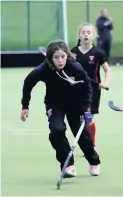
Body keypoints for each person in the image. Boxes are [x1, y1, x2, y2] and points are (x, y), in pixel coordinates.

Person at [20, 40, 101, 177]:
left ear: (67, 55)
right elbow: (28, 83)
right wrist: (25, 106)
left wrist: (87, 108)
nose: (60, 60)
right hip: (55, 104)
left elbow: (87, 87)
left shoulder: (75, 67)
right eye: (56, 57)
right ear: (50, 58)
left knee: (81, 135)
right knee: (56, 131)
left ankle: (94, 161)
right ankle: (68, 165)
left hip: (76, 104)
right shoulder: (43, 69)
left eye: (62, 56)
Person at [71, 22, 111, 148]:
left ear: (93, 35)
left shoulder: (98, 53)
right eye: (83, 33)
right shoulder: (74, 51)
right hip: (76, 89)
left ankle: (91, 144)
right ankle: (85, 142)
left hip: (93, 89)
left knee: (88, 118)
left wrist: (105, 82)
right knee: (78, 118)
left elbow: (107, 70)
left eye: (89, 33)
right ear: (79, 35)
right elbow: (69, 68)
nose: (86, 35)